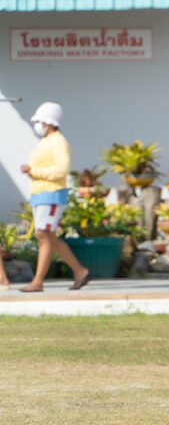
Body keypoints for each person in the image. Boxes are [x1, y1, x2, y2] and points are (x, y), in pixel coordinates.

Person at [19, 102, 90, 293]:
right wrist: (31, 170)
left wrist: (35, 172)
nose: (37, 125)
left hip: (51, 194)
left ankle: (38, 281)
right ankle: (80, 271)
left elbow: (61, 170)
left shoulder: (59, 142)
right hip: (40, 194)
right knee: (48, 237)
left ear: (48, 122)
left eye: (39, 121)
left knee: (44, 236)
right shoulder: (46, 142)